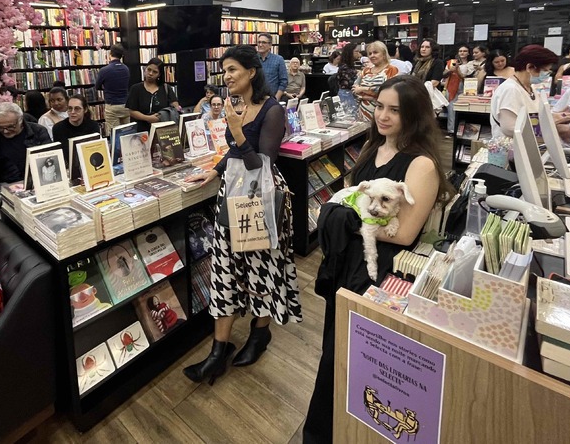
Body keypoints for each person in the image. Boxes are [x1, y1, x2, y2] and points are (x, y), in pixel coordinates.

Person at [304, 76, 451, 444]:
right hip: (347, 263)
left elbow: (403, 234)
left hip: (378, 273)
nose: (383, 116)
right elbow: (354, 196)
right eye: (380, 107)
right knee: (334, 353)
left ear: (414, 114)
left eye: (394, 110)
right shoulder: (373, 146)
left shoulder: (421, 165)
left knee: (358, 358)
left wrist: (347, 221)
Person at [182, 45, 301, 384]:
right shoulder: (237, 106)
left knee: (261, 269)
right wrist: (215, 170)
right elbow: (235, 154)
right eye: (225, 70)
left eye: (233, 69)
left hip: (260, 197)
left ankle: (259, 333)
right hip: (232, 193)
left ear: (251, 72)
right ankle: (218, 353)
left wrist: (235, 129)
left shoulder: (272, 110)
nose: (227, 76)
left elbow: (262, 164)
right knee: (226, 271)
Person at [489, 45, 559, 139]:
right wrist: (549, 125)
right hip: (512, 150)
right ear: (529, 67)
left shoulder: (529, 88)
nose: (547, 74)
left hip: (528, 147)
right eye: (545, 70)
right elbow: (510, 128)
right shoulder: (510, 89)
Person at [0, 102, 51, 192]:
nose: (5, 131)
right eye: (0, 127)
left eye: (10, 127)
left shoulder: (38, 131)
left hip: (38, 182)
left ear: (20, 120)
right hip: (6, 186)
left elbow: (49, 159)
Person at [126, 58, 182, 132]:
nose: (150, 73)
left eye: (155, 72)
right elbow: (131, 111)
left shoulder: (166, 88)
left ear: (159, 74)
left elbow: (175, 107)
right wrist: (147, 118)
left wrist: (162, 116)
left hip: (163, 131)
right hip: (141, 131)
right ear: (145, 69)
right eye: (149, 70)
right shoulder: (136, 88)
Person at [53, 93, 103, 165]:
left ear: (85, 110)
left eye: (77, 109)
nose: (72, 112)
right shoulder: (58, 128)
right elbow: (59, 155)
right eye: (70, 108)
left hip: (89, 163)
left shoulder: (93, 126)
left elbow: (96, 150)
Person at [354, 41, 398, 122]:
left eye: (375, 52)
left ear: (384, 54)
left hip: (383, 114)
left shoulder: (391, 70)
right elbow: (354, 90)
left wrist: (362, 89)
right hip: (362, 114)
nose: (372, 56)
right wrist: (370, 96)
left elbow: (387, 91)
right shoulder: (365, 70)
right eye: (370, 53)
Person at [95, 43, 131, 136]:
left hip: (112, 105)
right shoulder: (126, 69)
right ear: (121, 55)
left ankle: (116, 151)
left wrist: (106, 87)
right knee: (127, 133)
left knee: (115, 134)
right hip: (125, 105)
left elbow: (97, 86)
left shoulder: (104, 70)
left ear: (110, 54)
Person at [442, 45, 473, 133]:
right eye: (460, 51)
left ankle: (461, 131)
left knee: (463, 109)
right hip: (451, 87)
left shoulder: (470, 64)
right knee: (451, 109)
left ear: (468, 53)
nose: (462, 53)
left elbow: (467, 78)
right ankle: (451, 130)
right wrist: (450, 70)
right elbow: (444, 74)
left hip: (465, 88)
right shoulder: (452, 62)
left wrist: (458, 70)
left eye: (464, 51)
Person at [255, 32, 287, 100]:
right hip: (256, 98)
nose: (260, 45)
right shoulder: (253, 59)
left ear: (270, 45)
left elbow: (284, 81)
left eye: (263, 42)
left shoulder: (278, 59)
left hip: (272, 98)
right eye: (259, 42)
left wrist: (276, 98)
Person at [335, 43, 361, 116]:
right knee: (350, 116)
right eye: (356, 51)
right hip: (346, 94)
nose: (358, 54)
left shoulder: (350, 66)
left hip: (349, 94)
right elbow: (349, 83)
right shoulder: (344, 67)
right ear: (350, 52)